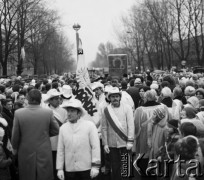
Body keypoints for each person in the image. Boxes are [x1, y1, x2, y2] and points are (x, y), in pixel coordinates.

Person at [11, 89, 59, 180]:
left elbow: (15, 135)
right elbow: (56, 130)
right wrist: (44, 134)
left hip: (25, 149)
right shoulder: (48, 112)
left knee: (27, 175)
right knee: (44, 175)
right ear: (40, 99)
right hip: (44, 149)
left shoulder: (18, 113)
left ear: (27, 98)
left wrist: (14, 148)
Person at [56, 99, 100, 180]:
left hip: (86, 168)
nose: (69, 114)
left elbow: (95, 147)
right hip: (70, 169)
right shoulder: (63, 128)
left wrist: (95, 167)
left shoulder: (89, 126)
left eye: (72, 111)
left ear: (79, 113)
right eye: (68, 111)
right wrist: (60, 169)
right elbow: (60, 150)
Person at [101, 86, 134, 180]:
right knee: (114, 167)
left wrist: (130, 141)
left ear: (120, 97)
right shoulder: (106, 110)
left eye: (116, 96)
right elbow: (104, 127)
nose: (115, 98)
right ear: (109, 98)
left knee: (126, 165)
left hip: (125, 142)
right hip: (112, 143)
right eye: (112, 96)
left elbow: (131, 125)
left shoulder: (127, 108)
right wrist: (105, 144)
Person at [44, 89, 68, 180]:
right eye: (55, 98)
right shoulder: (45, 111)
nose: (58, 100)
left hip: (63, 139)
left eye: (58, 98)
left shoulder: (64, 110)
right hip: (50, 141)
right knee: (53, 163)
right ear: (50, 100)